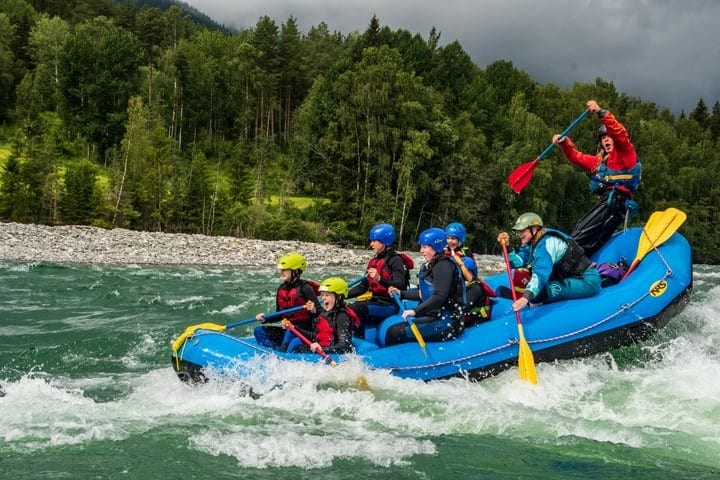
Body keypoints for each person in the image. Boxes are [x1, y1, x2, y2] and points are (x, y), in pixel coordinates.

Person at [552, 99, 642, 256]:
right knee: (586, 235)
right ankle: (575, 266)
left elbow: (619, 133)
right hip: (607, 204)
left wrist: (601, 112)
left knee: (582, 234)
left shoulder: (625, 153)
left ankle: (564, 262)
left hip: (616, 203)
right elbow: (577, 157)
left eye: (608, 136)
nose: (606, 139)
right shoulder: (600, 163)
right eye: (602, 137)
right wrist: (564, 142)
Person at [497, 212, 601, 311]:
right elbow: (517, 263)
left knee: (540, 292)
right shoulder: (532, 243)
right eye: (518, 231)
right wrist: (507, 247)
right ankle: (530, 305)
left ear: (534, 229)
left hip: (587, 280)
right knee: (535, 290)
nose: (519, 234)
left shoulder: (546, 244)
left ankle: (531, 314)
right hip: (568, 278)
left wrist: (526, 297)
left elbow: (540, 274)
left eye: (522, 231)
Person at [386, 227, 465, 346]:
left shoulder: (443, 265)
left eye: (425, 247)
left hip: (446, 321)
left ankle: (395, 363)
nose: (421, 251)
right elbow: (424, 293)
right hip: (435, 316)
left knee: (395, 332)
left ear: (436, 247)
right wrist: (401, 293)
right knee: (393, 328)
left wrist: (414, 310)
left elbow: (440, 296)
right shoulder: (432, 264)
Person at [347, 223, 411, 337]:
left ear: (384, 242)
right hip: (375, 301)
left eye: (374, 241)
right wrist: (342, 294)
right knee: (345, 308)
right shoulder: (374, 261)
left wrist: (379, 279)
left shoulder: (396, 260)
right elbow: (362, 287)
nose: (371, 244)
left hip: (390, 305)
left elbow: (400, 285)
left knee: (357, 308)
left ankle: (359, 342)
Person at [254, 252, 318, 350]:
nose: (282, 272)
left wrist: (313, 310)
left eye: (285, 269)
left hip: (303, 331)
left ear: (295, 271)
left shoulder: (306, 288)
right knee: (259, 331)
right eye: (281, 269)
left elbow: (321, 313)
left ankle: (282, 354)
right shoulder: (281, 289)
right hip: (288, 328)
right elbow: (279, 314)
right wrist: (265, 319)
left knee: (289, 331)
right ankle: (270, 353)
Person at [281, 277, 355, 354]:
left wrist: (323, 349)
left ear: (339, 297)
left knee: (298, 350)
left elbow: (345, 346)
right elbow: (316, 336)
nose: (323, 298)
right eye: (322, 295)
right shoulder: (324, 314)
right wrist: (294, 328)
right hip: (322, 350)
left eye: (327, 295)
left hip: (331, 354)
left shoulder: (342, 317)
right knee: (298, 348)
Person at [461, 256, 495, 326]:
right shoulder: (467, 286)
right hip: (471, 321)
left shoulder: (475, 288)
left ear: (471, 272)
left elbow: (462, 307)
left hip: (477, 323)